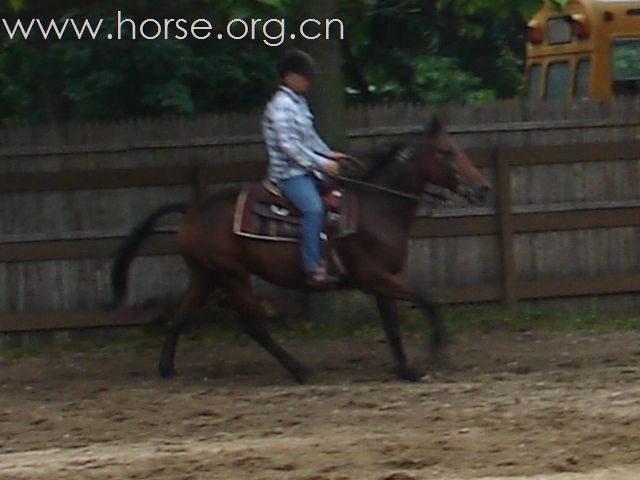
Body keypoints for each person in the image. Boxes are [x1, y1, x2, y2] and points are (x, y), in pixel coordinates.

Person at [262, 48, 347, 286]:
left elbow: (309, 138)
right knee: (313, 209)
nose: (309, 80)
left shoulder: (298, 103)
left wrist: (329, 154)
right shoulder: (280, 106)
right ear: (289, 76)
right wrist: (321, 163)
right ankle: (311, 266)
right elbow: (288, 146)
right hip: (289, 175)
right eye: (305, 76)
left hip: (307, 170)